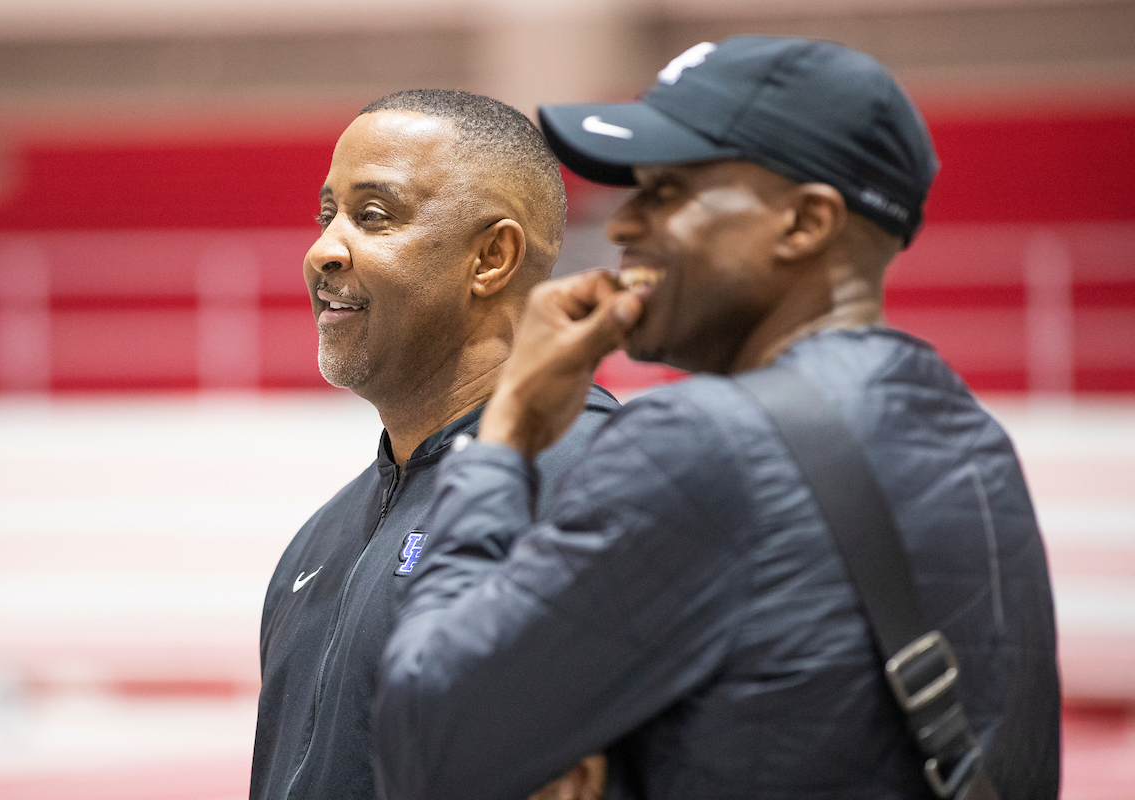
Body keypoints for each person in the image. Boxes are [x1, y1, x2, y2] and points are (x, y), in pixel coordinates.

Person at [374, 37, 1060, 800]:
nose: (625, 223)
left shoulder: (704, 442)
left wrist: (505, 435)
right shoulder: (972, 438)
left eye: (666, 191)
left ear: (803, 223)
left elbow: (426, 742)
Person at [249, 89, 619, 800]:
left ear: (492, 257)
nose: (323, 249)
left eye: (373, 216)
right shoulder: (316, 541)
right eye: (327, 215)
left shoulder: (603, 488)